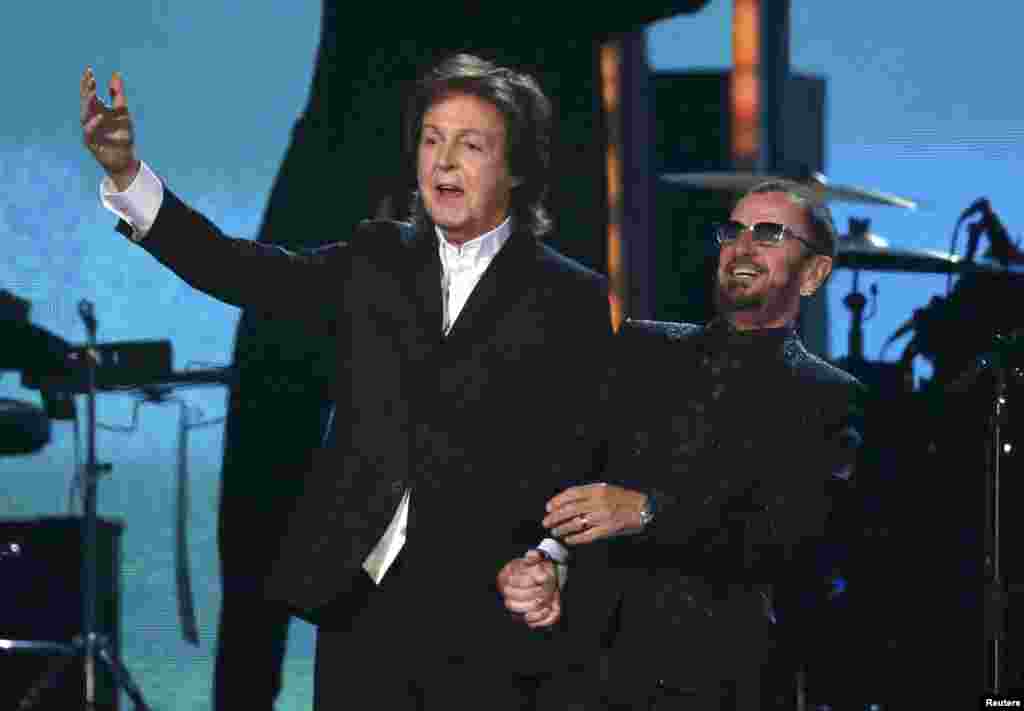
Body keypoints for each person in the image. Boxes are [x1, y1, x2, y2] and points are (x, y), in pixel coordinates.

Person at [80, 53, 612, 710]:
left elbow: (582, 457)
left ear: (518, 168)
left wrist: (551, 557)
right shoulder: (375, 260)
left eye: (470, 145)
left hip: (487, 620)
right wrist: (127, 176)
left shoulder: (569, 297)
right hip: (362, 605)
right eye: (431, 140)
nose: (444, 163)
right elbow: (236, 268)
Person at [499, 181, 863, 710]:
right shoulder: (642, 348)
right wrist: (547, 557)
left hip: (717, 682)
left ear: (814, 274)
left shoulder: (828, 397)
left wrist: (648, 512)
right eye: (733, 232)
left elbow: (791, 540)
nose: (741, 248)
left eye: (768, 234)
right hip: (585, 672)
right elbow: (572, 471)